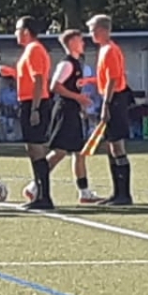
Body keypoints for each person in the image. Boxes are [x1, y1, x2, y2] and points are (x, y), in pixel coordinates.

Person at [39, 27, 97, 204]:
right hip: (64, 110)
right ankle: (35, 185)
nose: (83, 43)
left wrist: (81, 103)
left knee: (79, 152)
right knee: (59, 152)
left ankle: (84, 192)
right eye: (80, 40)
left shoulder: (77, 63)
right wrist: (77, 97)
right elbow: (55, 86)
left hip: (73, 110)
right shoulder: (67, 64)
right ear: (72, 43)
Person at [4, 17, 57, 210]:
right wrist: (12, 73)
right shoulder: (30, 50)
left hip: (35, 102)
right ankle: (39, 194)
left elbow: (39, 80)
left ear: (26, 31)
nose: (15, 33)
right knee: (32, 149)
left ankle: (44, 196)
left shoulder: (34, 49)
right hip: (28, 101)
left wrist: (35, 108)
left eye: (17, 29)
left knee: (37, 148)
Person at [87, 14, 136, 206]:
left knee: (117, 145)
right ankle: (116, 192)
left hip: (115, 99)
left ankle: (124, 194)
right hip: (110, 97)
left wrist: (106, 104)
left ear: (103, 30)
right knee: (110, 145)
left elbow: (113, 79)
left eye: (93, 30)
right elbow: (105, 78)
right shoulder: (104, 50)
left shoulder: (110, 50)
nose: (91, 34)